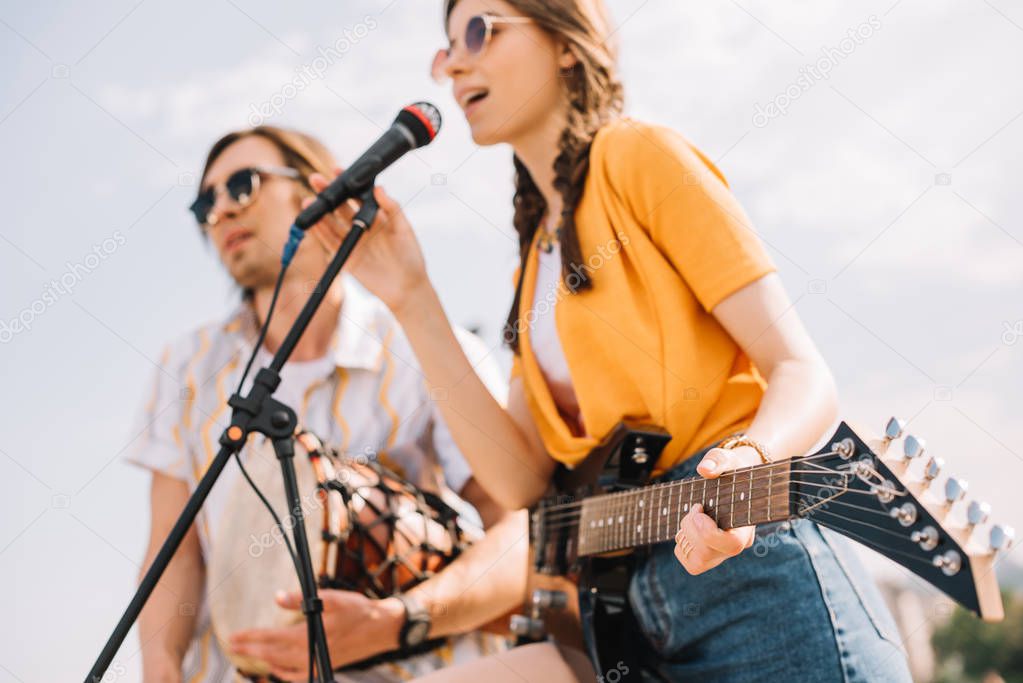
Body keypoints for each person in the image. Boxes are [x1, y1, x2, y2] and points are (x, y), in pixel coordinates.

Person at [304, 1, 914, 681]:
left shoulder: (638, 156)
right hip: (636, 621)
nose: (455, 63)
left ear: (567, 44)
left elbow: (801, 371)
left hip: (760, 589)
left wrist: (746, 459)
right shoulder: (533, 258)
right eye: (445, 48)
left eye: (479, 29)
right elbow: (519, 477)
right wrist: (410, 298)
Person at [128, 125, 527, 683]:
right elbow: (173, 553)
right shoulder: (188, 365)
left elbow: (519, 532)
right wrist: (159, 666)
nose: (219, 212)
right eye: (204, 202)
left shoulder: (426, 345)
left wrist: (398, 621)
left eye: (242, 185)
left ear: (316, 190)